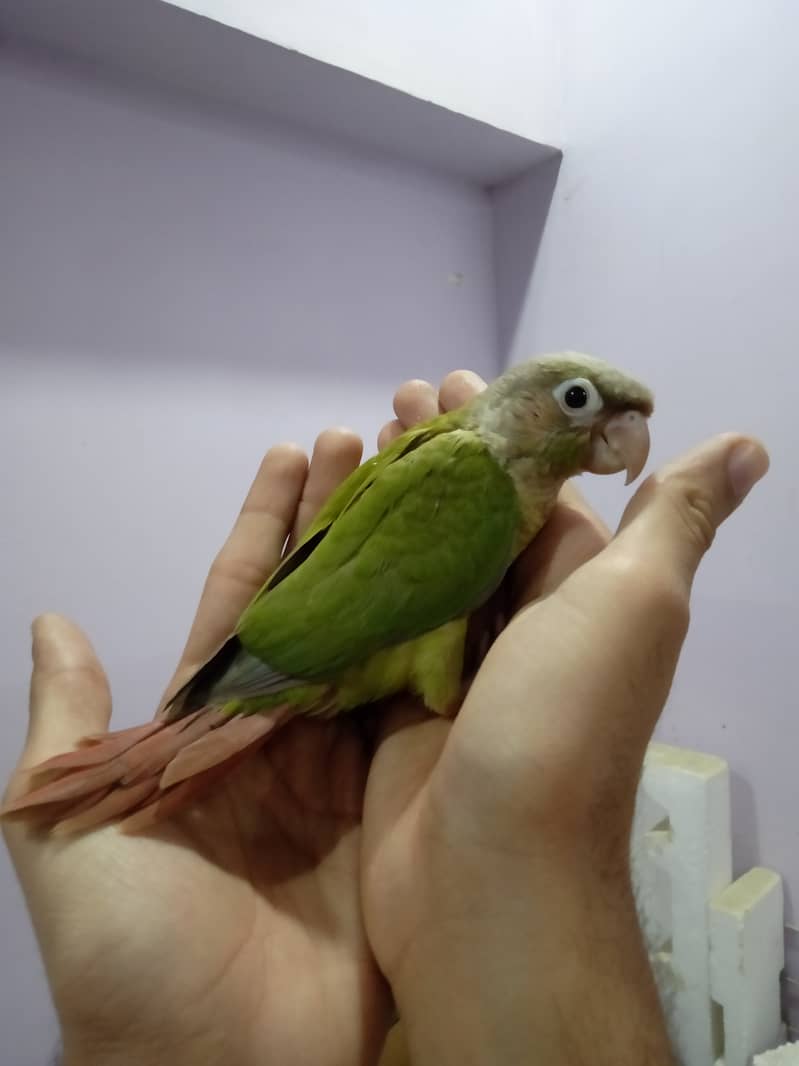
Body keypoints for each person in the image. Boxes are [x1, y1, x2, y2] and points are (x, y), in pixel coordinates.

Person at [2, 369, 768, 1066]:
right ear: (521, 404)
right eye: (577, 400)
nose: (618, 434)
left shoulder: (479, 476)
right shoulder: (473, 473)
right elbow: (423, 654)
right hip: (324, 656)